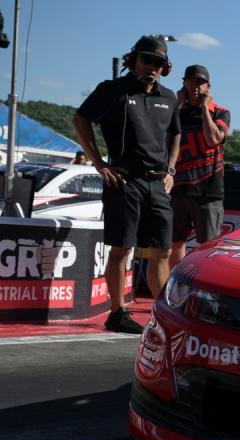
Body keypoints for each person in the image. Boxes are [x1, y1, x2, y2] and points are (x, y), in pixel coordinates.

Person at [73, 35, 181, 333]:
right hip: (124, 181)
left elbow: (175, 133)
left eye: (159, 63)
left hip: (157, 183)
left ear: (165, 67)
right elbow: (80, 119)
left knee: (162, 251)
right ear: (133, 60)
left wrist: (171, 168)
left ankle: (163, 316)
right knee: (122, 249)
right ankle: (117, 312)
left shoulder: (169, 97)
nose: (152, 67)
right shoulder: (112, 90)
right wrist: (99, 164)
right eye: (147, 60)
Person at [168, 64, 230, 269]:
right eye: (190, 81)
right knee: (174, 244)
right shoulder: (175, 112)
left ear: (208, 86)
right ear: (183, 83)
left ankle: (206, 293)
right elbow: (161, 140)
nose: (195, 86)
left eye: (200, 82)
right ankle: (174, 287)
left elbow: (213, 139)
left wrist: (204, 108)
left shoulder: (220, 112)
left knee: (209, 247)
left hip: (208, 192)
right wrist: (176, 107)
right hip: (178, 189)